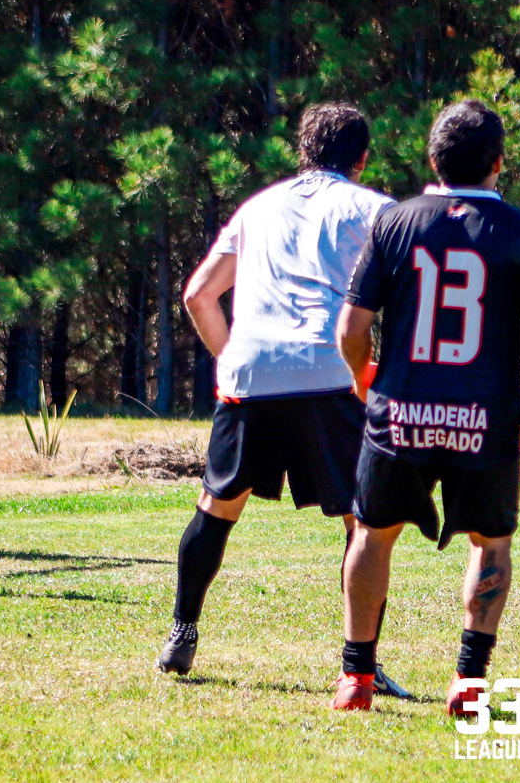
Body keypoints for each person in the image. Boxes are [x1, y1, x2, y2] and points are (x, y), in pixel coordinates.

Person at [157, 103, 409, 701]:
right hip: (329, 371)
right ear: (362, 158)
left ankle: (181, 631)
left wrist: (232, 359)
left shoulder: (258, 206)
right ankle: (360, 664)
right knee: (363, 523)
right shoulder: (375, 209)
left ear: (303, 151)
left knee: (217, 508)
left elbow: (198, 295)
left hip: (251, 372)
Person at [333, 100, 520, 715]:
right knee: (490, 544)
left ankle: (356, 676)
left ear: (433, 158)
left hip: (402, 414)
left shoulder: (394, 222)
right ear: (499, 163)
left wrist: (364, 380)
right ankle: (468, 682)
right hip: (484, 419)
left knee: (372, 534)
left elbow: (351, 327)